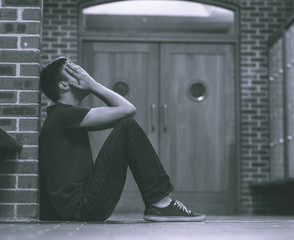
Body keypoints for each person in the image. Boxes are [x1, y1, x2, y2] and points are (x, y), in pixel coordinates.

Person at [39, 56, 205, 222]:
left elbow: (123, 114)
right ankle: (160, 202)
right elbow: (128, 110)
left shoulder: (66, 117)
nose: (83, 74)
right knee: (128, 127)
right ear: (64, 85)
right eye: (75, 71)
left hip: (82, 206)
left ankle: (159, 203)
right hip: (82, 208)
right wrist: (94, 85)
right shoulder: (62, 115)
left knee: (126, 126)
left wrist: (92, 84)